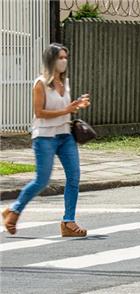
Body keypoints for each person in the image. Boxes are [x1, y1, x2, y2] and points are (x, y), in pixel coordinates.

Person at [2, 43, 91, 237]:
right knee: (42, 180)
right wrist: (67, 110)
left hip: (65, 136)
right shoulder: (40, 83)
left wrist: (76, 105)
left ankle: (68, 222)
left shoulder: (65, 83)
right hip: (45, 137)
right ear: (51, 60)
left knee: (74, 177)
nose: (64, 61)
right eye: (60, 57)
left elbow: (64, 109)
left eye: (66, 57)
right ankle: (14, 210)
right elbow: (39, 112)